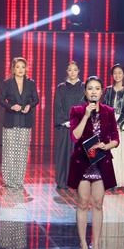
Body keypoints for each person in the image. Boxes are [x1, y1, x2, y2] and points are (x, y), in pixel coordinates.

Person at [68, 76, 120, 249]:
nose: (93, 92)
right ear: (85, 92)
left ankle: (96, 244)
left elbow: (116, 138)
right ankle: (83, 243)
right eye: (90, 88)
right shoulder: (77, 110)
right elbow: (75, 136)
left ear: (102, 92)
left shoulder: (109, 111)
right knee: (83, 202)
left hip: (100, 163)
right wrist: (86, 116)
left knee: (98, 203)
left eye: (97, 88)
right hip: (82, 163)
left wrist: (107, 145)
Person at [0, 57, 39, 188]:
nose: (20, 69)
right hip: (10, 120)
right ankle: (8, 180)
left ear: (26, 68)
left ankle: (19, 180)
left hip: (25, 121)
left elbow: (36, 99)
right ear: (13, 69)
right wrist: (11, 106)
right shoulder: (7, 83)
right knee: (9, 152)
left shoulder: (31, 83)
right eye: (17, 67)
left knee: (22, 152)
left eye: (23, 67)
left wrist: (29, 106)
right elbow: (1, 100)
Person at [53, 61, 85, 189]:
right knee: (63, 154)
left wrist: (78, 121)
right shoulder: (61, 87)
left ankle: (77, 181)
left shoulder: (84, 87)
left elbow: (85, 105)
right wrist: (65, 122)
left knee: (78, 154)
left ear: (78, 71)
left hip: (79, 126)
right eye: (70, 70)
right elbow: (58, 106)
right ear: (67, 71)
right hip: (64, 126)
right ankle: (62, 181)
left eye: (75, 70)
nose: (72, 72)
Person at [102, 63, 124, 188]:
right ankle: (110, 180)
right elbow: (104, 107)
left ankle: (120, 180)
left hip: (122, 125)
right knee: (110, 152)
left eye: (120, 73)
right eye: (115, 73)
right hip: (109, 122)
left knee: (122, 152)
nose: (117, 75)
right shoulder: (108, 90)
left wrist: (117, 124)